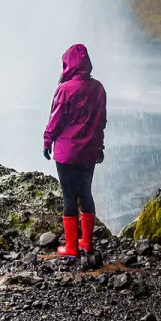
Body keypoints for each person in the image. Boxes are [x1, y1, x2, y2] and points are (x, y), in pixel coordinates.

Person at [42, 43, 107, 257]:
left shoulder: (65, 89)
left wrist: (47, 141)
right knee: (86, 193)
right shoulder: (98, 88)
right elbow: (101, 122)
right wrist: (100, 146)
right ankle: (86, 243)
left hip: (67, 153)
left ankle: (71, 248)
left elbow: (56, 120)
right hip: (89, 151)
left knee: (69, 197)